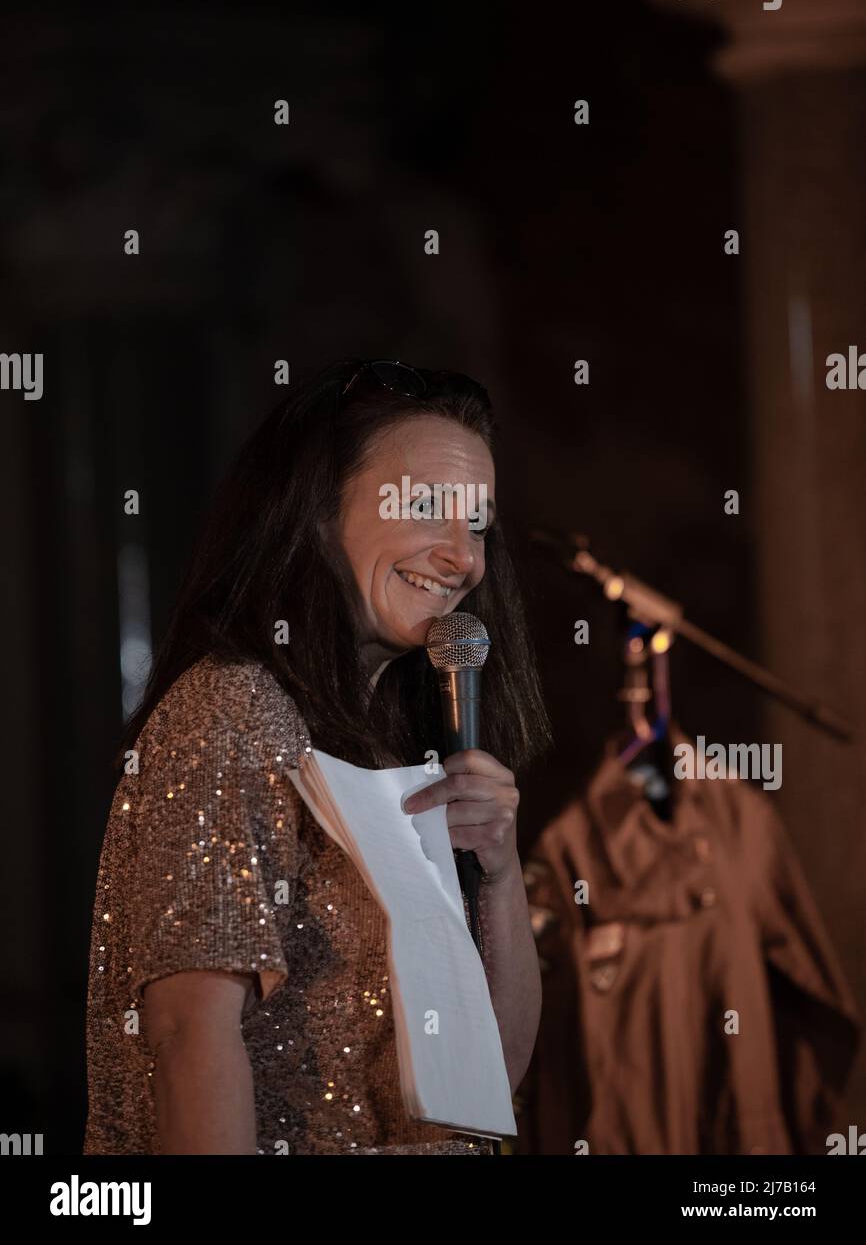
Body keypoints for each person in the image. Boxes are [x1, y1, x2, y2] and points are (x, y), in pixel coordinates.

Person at [84, 358, 553, 1155]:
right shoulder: (234, 709)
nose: (462, 556)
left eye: (477, 524)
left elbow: (491, 1078)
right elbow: (188, 1031)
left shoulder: (413, 738)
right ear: (314, 512)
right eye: (427, 507)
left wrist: (501, 874)